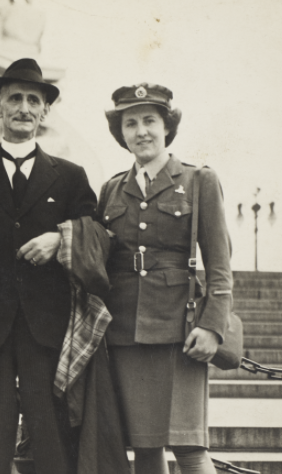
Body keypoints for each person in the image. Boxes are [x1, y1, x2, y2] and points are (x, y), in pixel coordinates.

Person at [0, 58, 98, 474]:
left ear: (45, 111)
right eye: (14, 98)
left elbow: (96, 232)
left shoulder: (70, 176)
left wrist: (60, 238)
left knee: (52, 440)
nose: (24, 108)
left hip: (48, 328)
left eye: (34, 100)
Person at [98, 83, 233, 474]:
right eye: (131, 123)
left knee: (189, 446)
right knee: (143, 445)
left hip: (181, 331)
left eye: (150, 121)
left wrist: (212, 326)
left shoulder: (198, 180)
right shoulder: (111, 189)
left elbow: (221, 264)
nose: (141, 131)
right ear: (121, 133)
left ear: (166, 126)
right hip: (124, 332)